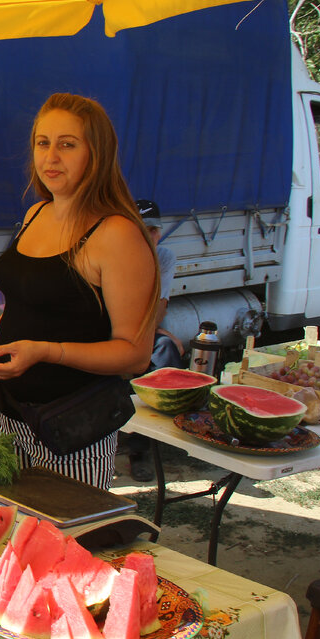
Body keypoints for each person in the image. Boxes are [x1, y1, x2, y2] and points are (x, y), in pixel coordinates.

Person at [0, 93, 158, 489]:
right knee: (3, 546)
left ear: (97, 154)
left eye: (67, 144)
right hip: (6, 422)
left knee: (62, 548)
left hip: (72, 434)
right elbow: (13, 318)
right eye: (43, 143)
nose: (51, 157)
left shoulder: (117, 235)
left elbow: (134, 353)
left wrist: (46, 351)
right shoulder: (35, 214)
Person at [125, 199, 182, 481]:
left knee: (164, 355)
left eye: (153, 230)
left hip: (145, 328)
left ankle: (143, 449)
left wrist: (158, 332)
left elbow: (159, 308)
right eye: (140, 230)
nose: (149, 237)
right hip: (115, 330)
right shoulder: (113, 255)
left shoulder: (164, 256)